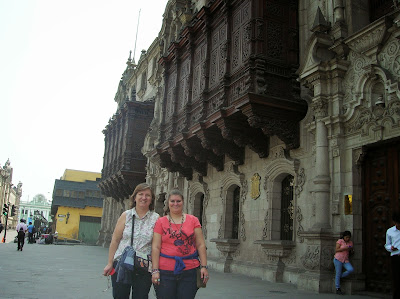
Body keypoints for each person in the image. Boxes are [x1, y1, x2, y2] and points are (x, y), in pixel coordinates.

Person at [103, 183, 159, 299]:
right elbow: (115, 240)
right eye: (141, 194)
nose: (144, 197)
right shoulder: (126, 215)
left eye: (147, 195)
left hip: (144, 266)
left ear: (151, 199)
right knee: (120, 296)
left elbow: (156, 246)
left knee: (141, 296)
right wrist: (109, 263)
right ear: (134, 197)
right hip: (122, 263)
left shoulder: (156, 218)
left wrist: (155, 269)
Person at [151, 189, 209, 299]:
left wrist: (204, 267)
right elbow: (156, 247)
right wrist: (155, 270)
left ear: (183, 202)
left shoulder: (193, 220)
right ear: (168, 203)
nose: (175, 204)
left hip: (189, 270)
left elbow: (200, 244)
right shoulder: (161, 222)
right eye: (172, 201)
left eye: (178, 201)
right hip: (165, 271)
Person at [384, 210, 400, 299]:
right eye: (397, 223)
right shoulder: (390, 231)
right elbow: (387, 244)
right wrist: (391, 248)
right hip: (396, 257)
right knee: (396, 279)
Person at [333, 231, 354, 295]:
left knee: (350, 269)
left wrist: (351, 250)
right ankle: (337, 288)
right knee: (338, 273)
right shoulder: (340, 241)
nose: (347, 239)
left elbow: (351, 249)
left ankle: (340, 277)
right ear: (344, 237)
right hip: (338, 259)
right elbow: (336, 249)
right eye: (346, 237)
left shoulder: (350, 242)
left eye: (349, 237)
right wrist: (344, 248)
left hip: (345, 260)